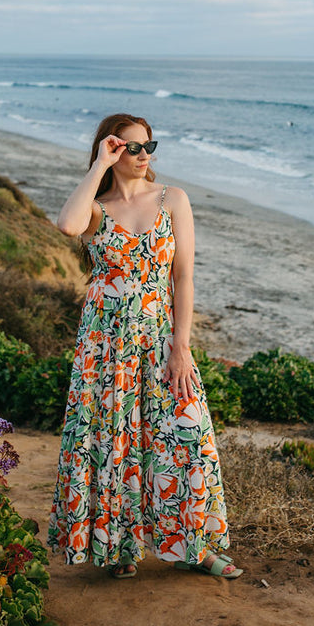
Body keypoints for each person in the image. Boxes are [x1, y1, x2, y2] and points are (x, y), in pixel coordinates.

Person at [47, 113, 242, 580]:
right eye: (130, 147)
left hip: (159, 339)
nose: (142, 156)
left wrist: (182, 345)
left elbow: (184, 276)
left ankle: (200, 547)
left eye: (148, 147)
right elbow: (67, 225)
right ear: (111, 149)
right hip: (104, 347)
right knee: (114, 442)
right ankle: (120, 548)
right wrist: (98, 167)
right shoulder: (98, 207)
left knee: (187, 437)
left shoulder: (173, 199)